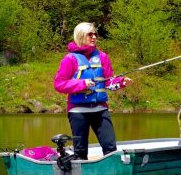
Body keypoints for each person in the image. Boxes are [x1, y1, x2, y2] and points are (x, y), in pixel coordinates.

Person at [54, 22, 131, 160]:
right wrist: (82, 84)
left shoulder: (102, 57)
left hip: (100, 110)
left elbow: (108, 82)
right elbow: (59, 84)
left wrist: (120, 82)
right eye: (90, 34)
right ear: (80, 36)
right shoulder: (69, 59)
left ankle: (113, 174)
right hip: (77, 112)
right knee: (80, 151)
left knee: (110, 148)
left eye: (95, 34)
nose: (94, 37)